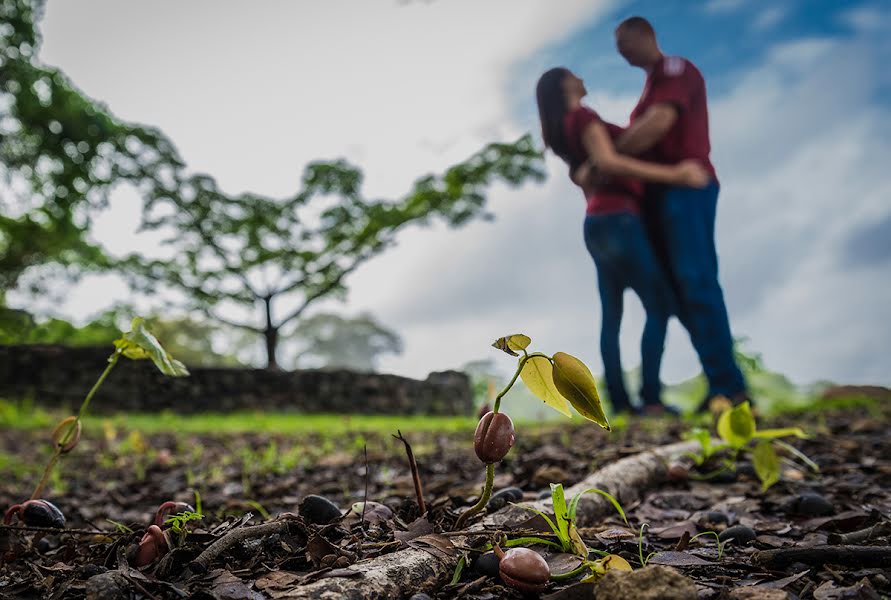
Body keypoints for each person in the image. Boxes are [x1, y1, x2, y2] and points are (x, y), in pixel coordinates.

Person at [536, 67, 709, 415]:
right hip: (620, 220)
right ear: (565, 85)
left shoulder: (563, 132)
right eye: (573, 74)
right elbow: (609, 162)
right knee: (658, 306)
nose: (581, 77)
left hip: (596, 223)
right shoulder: (583, 116)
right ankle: (652, 398)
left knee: (611, 316)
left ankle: (616, 402)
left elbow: (588, 176)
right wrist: (677, 174)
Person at [611, 16, 749, 411]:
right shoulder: (649, 87)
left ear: (647, 35)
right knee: (683, 294)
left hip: (687, 189)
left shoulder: (675, 70)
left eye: (625, 45)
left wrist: (609, 155)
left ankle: (730, 388)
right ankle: (721, 386)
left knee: (697, 281)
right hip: (662, 198)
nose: (622, 55)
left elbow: (656, 126)